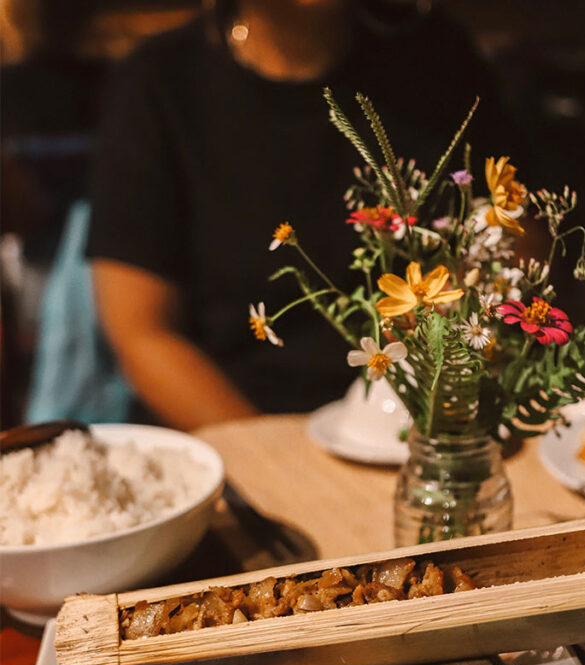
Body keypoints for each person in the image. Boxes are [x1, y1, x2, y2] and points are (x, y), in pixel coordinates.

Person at [88, 0, 516, 430]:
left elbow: (511, 240)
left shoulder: (438, 57)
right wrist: (277, 469)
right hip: (235, 438)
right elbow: (141, 332)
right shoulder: (158, 81)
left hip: (413, 423)